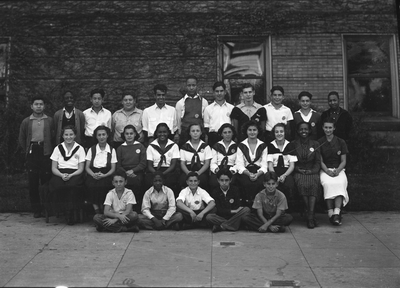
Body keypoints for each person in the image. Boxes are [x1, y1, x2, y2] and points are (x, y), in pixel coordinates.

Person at [18, 96, 54, 218]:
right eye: (36, 104)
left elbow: (53, 137)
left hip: (45, 152)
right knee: (33, 182)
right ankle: (36, 208)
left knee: (46, 181)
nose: (38, 106)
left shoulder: (49, 120)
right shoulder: (26, 121)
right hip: (33, 152)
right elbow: (22, 139)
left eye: (41, 104)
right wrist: (27, 151)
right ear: (31, 106)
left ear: (44, 106)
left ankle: (46, 207)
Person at [48, 125, 86, 225]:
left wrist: (71, 175)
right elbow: (53, 168)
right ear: (62, 136)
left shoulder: (80, 148)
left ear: (75, 135)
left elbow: (81, 168)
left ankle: (71, 213)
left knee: (73, 186)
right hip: (60, 173)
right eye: (66, 135)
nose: (68, 137)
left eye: (71, 134)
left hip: (75, 173)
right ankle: (63, 211)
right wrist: (61, 175)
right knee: (57, 185)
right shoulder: (58, 148)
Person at [318, 117, 350, 226]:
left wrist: (338, 171)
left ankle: (336, 213)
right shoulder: (319, 142)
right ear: (323, 128)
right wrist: (327, 171)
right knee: (328, 183)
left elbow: (343, 161)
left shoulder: (341, 142)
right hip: (325, 170)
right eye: (326, 127)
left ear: (334, 128)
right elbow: (320, 161)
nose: (328, 130)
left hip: (338, 169)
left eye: (330, 128)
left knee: (340, 182)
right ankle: (331, 213)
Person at [292, 121, 321, 229]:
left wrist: (312, 171)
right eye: (301, 129)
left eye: (306, 129)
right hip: (299, 171)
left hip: (312, 171)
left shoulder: (315, 144)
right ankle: (311, 215)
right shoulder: (294, 144)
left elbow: (318, 162)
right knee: (302, 184)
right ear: (298, 131)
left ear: (309, 131)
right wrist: (298, 169)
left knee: (313, 183)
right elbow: (291, 161)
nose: (303, 131)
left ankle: (310, 215)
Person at [85, 125, 117, 215]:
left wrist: (105, 175)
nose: (101, 137)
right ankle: (96, 210)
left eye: (103, 134)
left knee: (104, 185)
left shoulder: (112, 150)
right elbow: (87, 167)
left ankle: (104, 210)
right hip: (93, 173)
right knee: (91, 185)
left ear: (107, 135)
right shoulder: (91, 149)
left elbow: (113, 168)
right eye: (99, 135)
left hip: (107, 174)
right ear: (96, 136)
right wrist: (93, 175)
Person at [235, 120, 268, 207]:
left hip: (259, 171)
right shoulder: (241, 145)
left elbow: (264, 165)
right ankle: (247, 207)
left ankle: (259, 207)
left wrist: (257, 174)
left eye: (254, 130)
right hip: (246, 171)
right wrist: (249, 174)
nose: (252, 132)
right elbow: (239, 164)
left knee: (260, 183)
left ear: (258, 131)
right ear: (246, 131)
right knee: (245, 183)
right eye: (250, 130)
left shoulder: (263, 145)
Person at [267, 123, 298, 211]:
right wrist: (275, 176)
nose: (279, 134)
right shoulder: (271, 145)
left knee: (289, 185)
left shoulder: (290, 145)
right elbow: (270, 165)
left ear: (285, 132)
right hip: (274, 171)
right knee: (272, 184)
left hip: (287, 171)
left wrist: (284, 175)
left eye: (281, 131)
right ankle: (272, 209)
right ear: (274, 133)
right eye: (277, 132)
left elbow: (292, 165)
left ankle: (285, 210)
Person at [116, 124, 147, 211]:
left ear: (135, 134)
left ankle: (136, 209)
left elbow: (143, 163)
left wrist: (133, 170)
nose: (129, 136)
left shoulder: (140, 146)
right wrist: (126, 173)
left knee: (138, 182)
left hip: (137, 171)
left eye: (131, 133)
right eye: (127, 134)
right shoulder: (120, 148)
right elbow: (118, 165)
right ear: (124, 135)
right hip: (124, 172)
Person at [145, 123, 181, 195]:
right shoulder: (151, 146)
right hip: (154, 170)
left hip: (169, 170)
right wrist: (157, 174)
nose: (162, 134)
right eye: (160, 132)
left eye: (164, 132)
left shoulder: (174, 146)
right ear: (156, 133)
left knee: (172, 181)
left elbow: (173, 165)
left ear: (168, 133)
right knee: (148, 181)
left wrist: (162, 174)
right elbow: (149, 166)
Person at [175, 75, 208, 147]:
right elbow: (178, 122)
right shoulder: (180, 103)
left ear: (197, 86)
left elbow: (205, 121)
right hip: (185, 136)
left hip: (199, 135)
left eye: (193, 85)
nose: (191, 88)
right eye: (189, 85)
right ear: (186, 86)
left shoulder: (204, 102)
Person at [179, 123, 212, 191]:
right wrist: (188, 173)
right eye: (193, 131)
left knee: (203, 179)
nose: (195, 133)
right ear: (189, 133)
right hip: (188, 170)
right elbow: (182, 163)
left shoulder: (206, 147)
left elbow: (207, 163)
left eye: (197, 131)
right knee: (183, 179)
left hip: (201, 170)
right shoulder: (184, 147)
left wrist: (198, 173)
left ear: (201, 133)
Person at [203, 81, 234, 148]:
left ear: (225, 92)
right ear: (213, 93)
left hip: (228, 137)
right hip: (213, 137)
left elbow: (233, 124)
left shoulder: (231, 108)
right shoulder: (208, 108)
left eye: (221, 91)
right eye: (217, 91)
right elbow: (206, 126)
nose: (219, 93)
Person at [209, 123, 238, 191]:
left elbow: (238, 163)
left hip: (231, 170)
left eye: (229, 132)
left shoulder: (237, 147)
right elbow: (213, 162)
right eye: (225, 132)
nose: (227, 134)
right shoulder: (216, 146)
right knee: (213, 182)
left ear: (232, 133)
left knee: (233, 181)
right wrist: (217, 170)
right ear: (221, 134)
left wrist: (232, 171)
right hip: (218, 169)